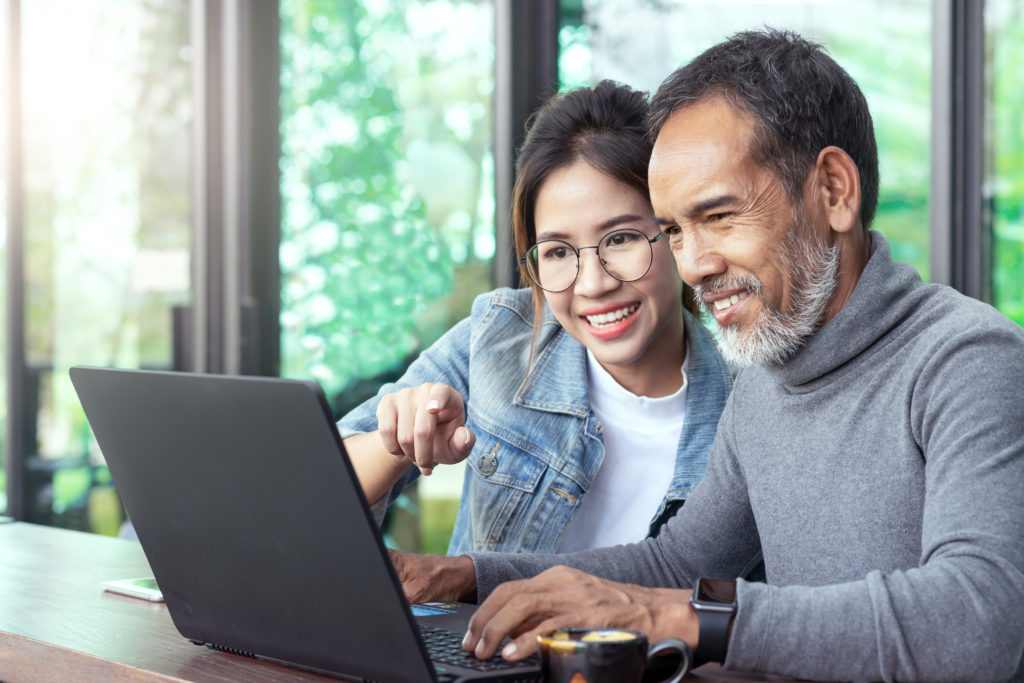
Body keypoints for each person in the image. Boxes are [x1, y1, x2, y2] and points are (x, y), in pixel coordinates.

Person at [389, 29, 1024, 681]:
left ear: (833, 190)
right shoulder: (765, 384)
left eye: (718, 216)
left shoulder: (969, 359)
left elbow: (975, 624)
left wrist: (670, 617)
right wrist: (463, 575)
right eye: (673, 230)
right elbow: (674, 565)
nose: (693, 266)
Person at [338, 80, 739, 559]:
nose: (592, 284)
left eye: (620, 239)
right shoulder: (500, 336)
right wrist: (399, 440)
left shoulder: (745, 410)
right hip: (478, 637)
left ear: (674, 233)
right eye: (557, 251)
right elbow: (314, 488)